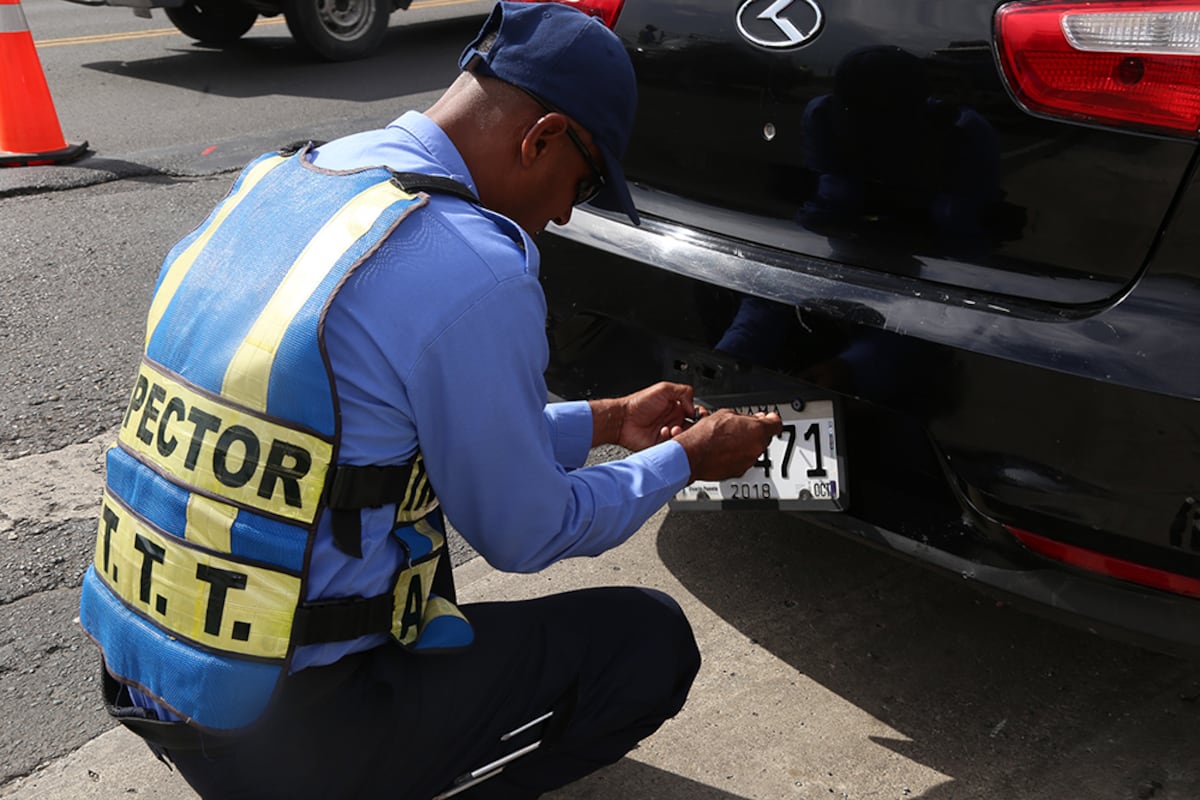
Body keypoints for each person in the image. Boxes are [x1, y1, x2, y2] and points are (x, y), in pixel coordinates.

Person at [78, 2, 783, 797]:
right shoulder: (473, 261)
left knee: (406, 515)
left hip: (156, 683)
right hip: (280, 743)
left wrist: (609, 421)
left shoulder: (290, 177)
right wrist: (683, 461)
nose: (562, 213)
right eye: (581, 185)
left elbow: (387, 438)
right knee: (648, 643)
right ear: (542, 137)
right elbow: (529, 529)